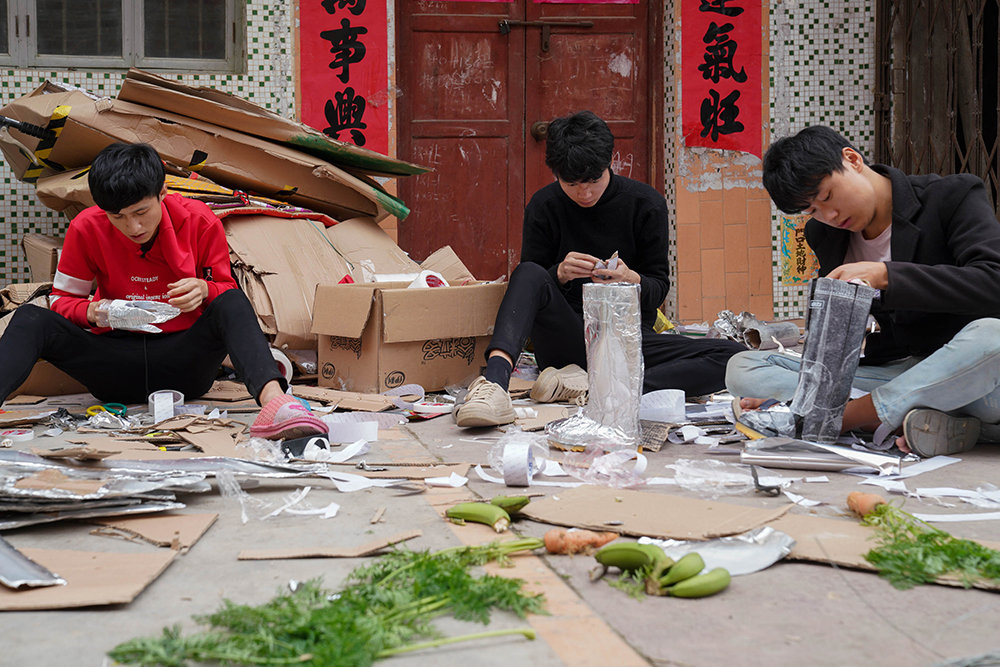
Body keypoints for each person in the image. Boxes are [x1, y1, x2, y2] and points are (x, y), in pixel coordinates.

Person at [0, 142, 326, 440]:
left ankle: (276, 403)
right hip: (113, 364)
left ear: (163, 192)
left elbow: (224, 287)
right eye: (118, 217)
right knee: (30, 317)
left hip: (184, 366)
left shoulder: (200, 221)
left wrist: (203, 289)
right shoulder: (86, 226)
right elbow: (60, 300)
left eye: (141, 212)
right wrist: (93, 312)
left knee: (231, 300)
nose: (133, 227)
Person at [454, 111, 746, 427]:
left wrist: (631, 279)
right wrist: (560, 274)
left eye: (594, 181)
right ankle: (495, 386)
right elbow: (532, 287)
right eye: (572, 184)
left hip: (627, 344)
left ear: (609, 164)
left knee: (733, 357)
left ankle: (606, 390)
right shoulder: (544, 206)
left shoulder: (646, 204)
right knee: (528, 272)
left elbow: (658, 286)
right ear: (556, 175)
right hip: (565, 343)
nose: (585, 193)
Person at [726, 125, 1000, 456]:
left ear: (852, 159)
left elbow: (992, 281)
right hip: (904, 373)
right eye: (812, 210)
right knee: (743, 368)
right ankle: (915, 418)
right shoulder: (824, 235)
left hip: (974, 371)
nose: (829, 215)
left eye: (827, 196)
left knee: (993, 336)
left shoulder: (951, 196)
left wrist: (886, 275)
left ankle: (846, 418)